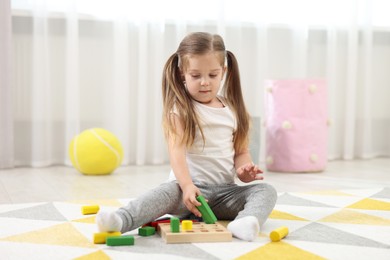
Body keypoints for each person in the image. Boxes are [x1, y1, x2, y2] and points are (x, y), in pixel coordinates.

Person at [97, 32, 277, 241]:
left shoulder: (233, 110)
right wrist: (187, 186)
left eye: (212, 75)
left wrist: (244, 170)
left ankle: (246, 221)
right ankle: (121, 219)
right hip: (187, 192)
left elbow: (241, 152)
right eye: (195, 75)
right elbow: (177, 153)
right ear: (183, 73)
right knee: (161, 194)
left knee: (266, 191)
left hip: (225, 193)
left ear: (223, 72)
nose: (204, 82)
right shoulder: (181, 109)